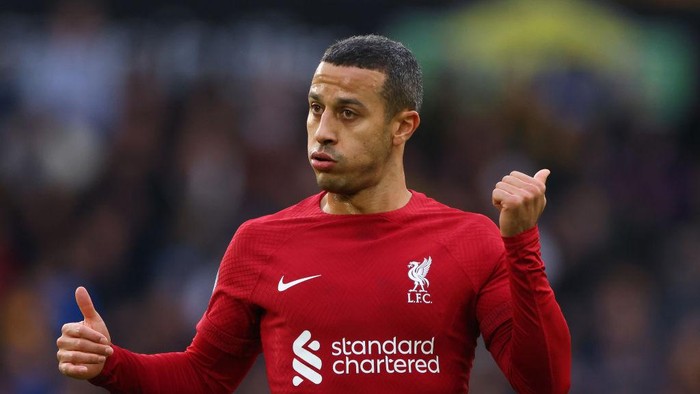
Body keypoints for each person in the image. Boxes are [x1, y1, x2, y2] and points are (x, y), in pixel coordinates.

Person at [56, 34, 571, 393]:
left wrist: (522, 244)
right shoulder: (260, 243)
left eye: (348, 112)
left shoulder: (469, 241)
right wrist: (112, 365)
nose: (322, 130)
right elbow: (203, 378)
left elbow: (545, 383)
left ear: (403, 126)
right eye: (314, 108)